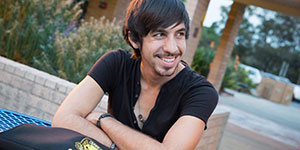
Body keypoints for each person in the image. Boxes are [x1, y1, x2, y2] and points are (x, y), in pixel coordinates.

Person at [52, 0, 218, 149]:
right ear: (134, 39)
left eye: (179, 34)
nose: (172, 48)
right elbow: (64, 118)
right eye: (159, 34)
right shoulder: (116, 63)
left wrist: (105, 120)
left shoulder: (201, 92)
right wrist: (118, 145)